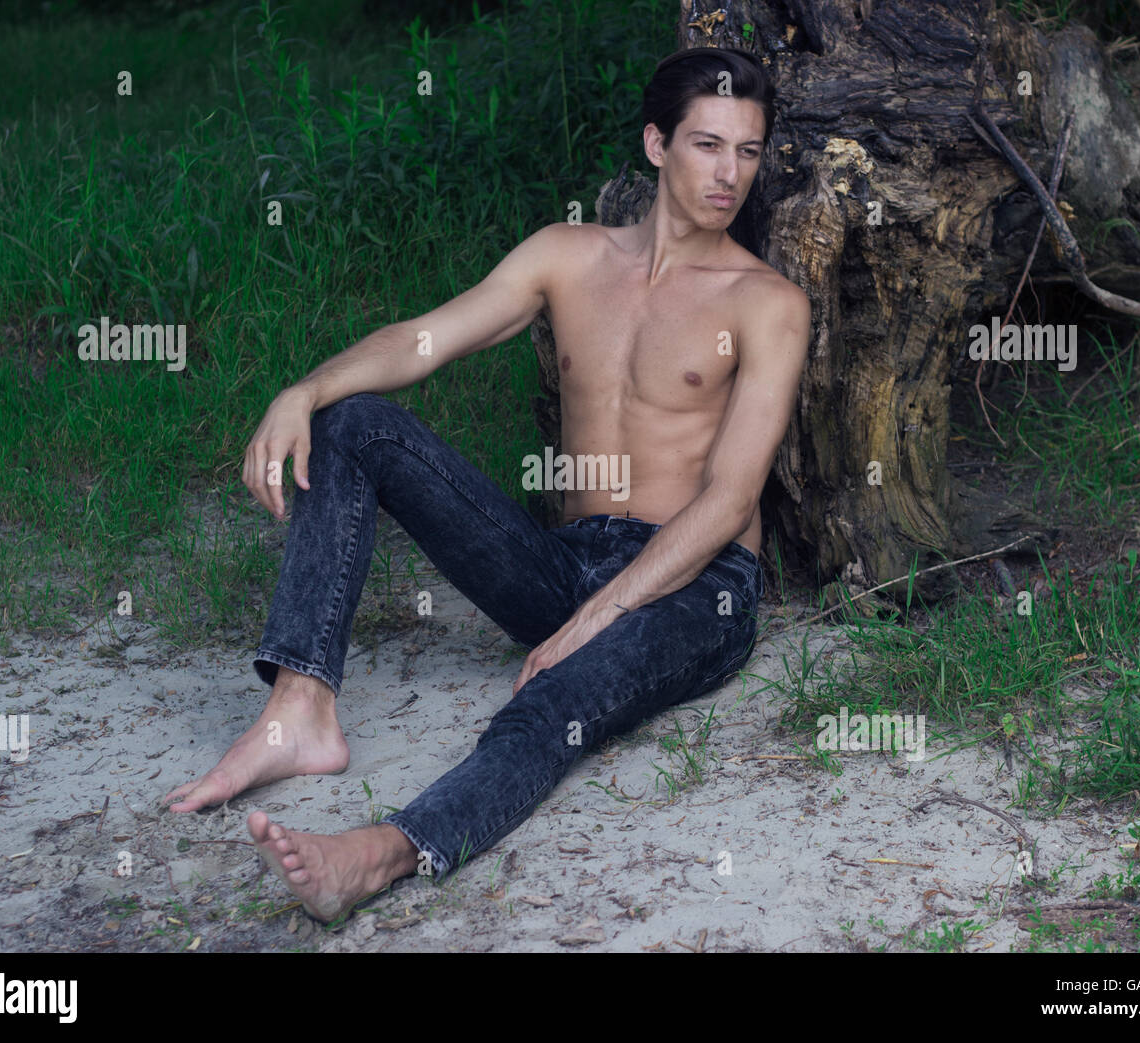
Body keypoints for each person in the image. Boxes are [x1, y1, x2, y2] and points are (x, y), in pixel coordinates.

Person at [163, 46, 810, 922]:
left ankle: (382, 854)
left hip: (697, 587)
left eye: (747, 150)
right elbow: (425, 340)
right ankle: (300, 709)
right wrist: (304, 389)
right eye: (708, 144)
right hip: (567, 558)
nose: (730, 172)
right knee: (353, 422)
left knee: (556, 697)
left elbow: (730, 501)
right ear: (657, 145)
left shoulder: (765, 303)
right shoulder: (567, 255)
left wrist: (601, 614)